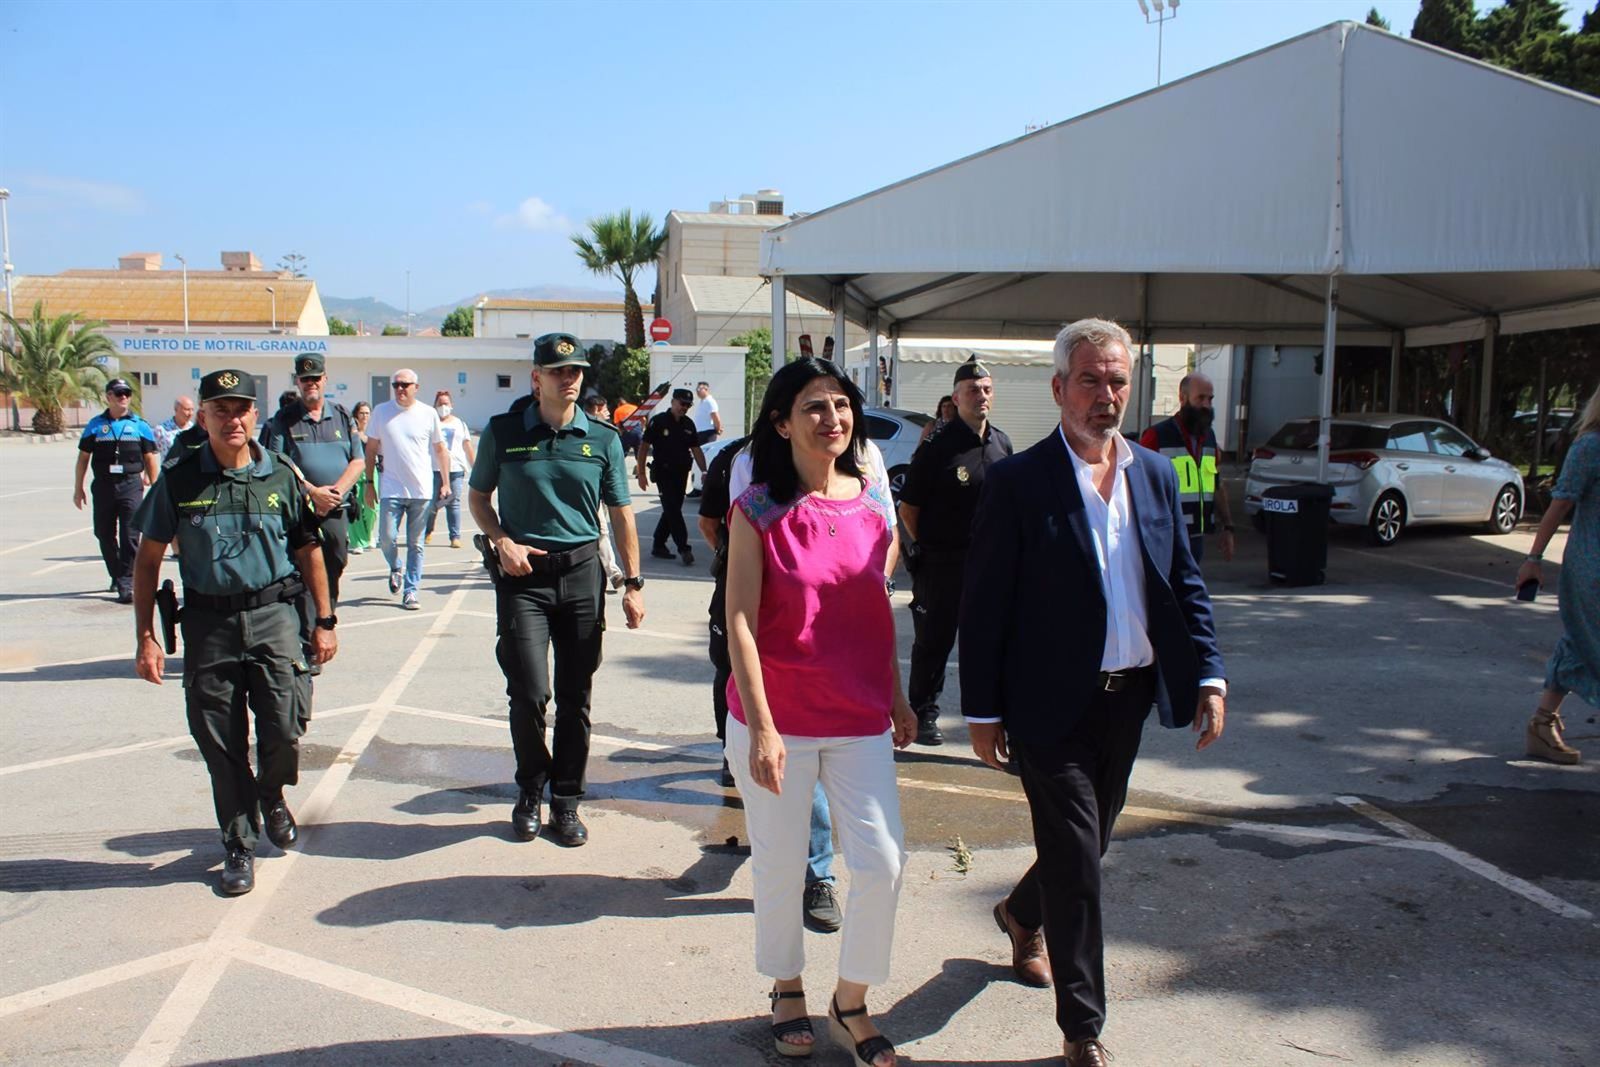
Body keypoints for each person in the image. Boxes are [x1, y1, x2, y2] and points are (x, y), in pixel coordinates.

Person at [960, 318, 1226, 1067]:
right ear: (1058, 388)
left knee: (1090, 841)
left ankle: (1018, 911)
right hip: (1046, 705)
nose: (1106, 395)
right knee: (1078, 859)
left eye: (1117, 380)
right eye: (1091, 380)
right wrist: (981, 709)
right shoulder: (1018, 483)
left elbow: (1185, 581)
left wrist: (1209, 672)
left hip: (1127, 699)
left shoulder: (1157, 473)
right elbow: (985, 605)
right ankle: (1083, 1026)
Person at [724, 357, 916, 1065]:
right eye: (814, 406)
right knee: (779, 864)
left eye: (841, 405)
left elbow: (874, 612)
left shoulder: (870, 503)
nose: (832, 418)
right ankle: (788, 986)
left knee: (884, 860)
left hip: (860, 716)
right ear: (782, 421)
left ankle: (852, 996)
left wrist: (895, 694)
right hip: (778, 718)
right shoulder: (759, 509)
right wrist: (764, 726)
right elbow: (740, 618)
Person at [130, 369, 338, 895]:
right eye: (220, 409)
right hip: (208, 624)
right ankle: (239, 844)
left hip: (274, 618)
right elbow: (148, 559)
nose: (233, 418)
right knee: (220, 743)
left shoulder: (280, 476)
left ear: (254, 415)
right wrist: (146, 637)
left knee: (284, 730)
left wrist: (326, 620)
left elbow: (309, 549)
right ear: (203, 417)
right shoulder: (179, 480)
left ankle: (271, 793)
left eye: (241, 408)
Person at [469, 333, 645, 847]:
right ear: (536, 378)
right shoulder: (504, 432)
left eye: (576, 372)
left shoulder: (604, 438)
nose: (569, 379)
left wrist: (632, 584)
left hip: (582, 574)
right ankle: (530, 788)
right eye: (558, 371)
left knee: (575, 695)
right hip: (523, 579)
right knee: (528, 691)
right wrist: (501, 540)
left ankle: (565, 800)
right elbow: (479, 497)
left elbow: (620, 514)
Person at [699, 433, 845, 936]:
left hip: (813, 636)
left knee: (805, 759)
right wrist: (750, 568)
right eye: (805, 406)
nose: (823, 419)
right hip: (742, 609)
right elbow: (709, 522)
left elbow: (880, 534)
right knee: (741, 709)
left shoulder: (848, 466)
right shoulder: (736, 461)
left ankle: (816, 874)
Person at [897, 356, 1013, 745]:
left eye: (986, 390)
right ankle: (924, 713)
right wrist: (924, 549)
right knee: (934, 641)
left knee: (992, 642)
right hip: (944, 564)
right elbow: (908, 508)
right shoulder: (938, 446)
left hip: (991, 565)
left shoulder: (1001, 443)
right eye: (972, 391)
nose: (980, 396)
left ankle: (995, 716)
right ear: (956, 397)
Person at [259, 354, 365, 669]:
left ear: (325, 379)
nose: (311, 384)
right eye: (305, 380)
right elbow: (277, 462)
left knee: (335, 563)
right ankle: (307, 640)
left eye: (316, 378)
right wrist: (311, 491)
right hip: (300, 508)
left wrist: (335, 492)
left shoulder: (343, 416)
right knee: (304, 570)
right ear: (298, 382)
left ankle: (324, 619)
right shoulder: (284, 419)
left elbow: (357, 461)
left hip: (335, 506)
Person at [1517, 384, 1600, 765]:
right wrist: (1533, 557)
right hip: (1592, 566)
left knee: (1578, 640)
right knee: (1586, 640)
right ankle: (1541, 725)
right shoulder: (1590, 447)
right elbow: (1560, 503)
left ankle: (1542, 724)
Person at [364, 368, 450, 611]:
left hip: (421, 491)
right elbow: (370, 450)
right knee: (387, 538)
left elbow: (440, 449)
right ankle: (395, 566)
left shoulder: (428, 413)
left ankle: (411, 591)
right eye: (396, 385)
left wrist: (444, 482)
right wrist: (369, 484)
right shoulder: (381, 412)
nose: (400, 389)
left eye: (405, 385)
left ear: (416, 387)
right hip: (391, 488)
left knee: (417, 544)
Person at [74, 377, 159, 603]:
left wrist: (156, 486)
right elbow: (83, 458)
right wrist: (78, 488)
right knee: (103, 533)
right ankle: (117, 573)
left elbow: (150, 457)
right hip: (103, 485)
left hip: (131, 484)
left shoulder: (140, 425)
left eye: (127, 394)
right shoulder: (95, 425)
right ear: (108, 396)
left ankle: (127, 582)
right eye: (119, 393)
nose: (124, 398)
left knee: (130, 535)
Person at [1138, 372, 1236, 563]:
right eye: (1200, 398)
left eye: (1210, 398)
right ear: (1182, 398)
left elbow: (1216, 484)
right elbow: (1137, 488)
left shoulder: (1209, 438)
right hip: (1165, 539)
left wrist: (1228, 527)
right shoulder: (1156, 437)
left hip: (1196, 539)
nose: (1207, 405)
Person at [637, 387, 707, 564]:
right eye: (682, 404)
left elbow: (696, 449)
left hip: (681, 473)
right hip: (663, 472)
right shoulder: (658, 421)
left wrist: (705, 471)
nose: (684, 408)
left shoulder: (688, 424)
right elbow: (644, 447)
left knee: (672, 508)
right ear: (673, 401)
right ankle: (684, 548)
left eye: (688, 405)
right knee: (673, 510)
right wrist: (641, 473)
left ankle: (659, 544)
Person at [583, 394, 628, 592]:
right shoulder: (582, 430)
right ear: (597, 409)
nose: (609, 413)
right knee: (597, 534)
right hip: (583, 494)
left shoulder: (604, 433)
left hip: (597, 495)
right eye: (605, 410)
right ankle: (608, 572)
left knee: (601, 532)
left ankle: (613, 572)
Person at [424, 389, 476, 548]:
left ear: (451, 405)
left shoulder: (459, 424)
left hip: (456, 469)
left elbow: (467, 446)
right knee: (432, 503)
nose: (443, 407)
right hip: (434, 469)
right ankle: (427, 531)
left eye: (445, 403)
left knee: (453, 502)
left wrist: (476, 468)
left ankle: (455, 536)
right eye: (440, 404)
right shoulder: (430, 423)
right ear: (435, 406)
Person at [347, 401, 378, 553]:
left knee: (372, 508)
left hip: (372, 471)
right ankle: (357, 541)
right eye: (362, 413)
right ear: (356, 415)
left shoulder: (374, 433)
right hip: (355, 471)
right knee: (356, 505)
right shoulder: (351, 433)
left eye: (367, 413)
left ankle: (370, 534)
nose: (365, 416)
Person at [153, 395, 196, 462]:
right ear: (176, 409)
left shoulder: (194, 429)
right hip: (170, 471)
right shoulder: (161, 430)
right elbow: (150, 454)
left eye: (192, 409)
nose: (190, 413)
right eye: (187, 409)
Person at [691, 380, 724, 445]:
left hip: (707, 434)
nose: (697, 391)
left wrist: (718, 429)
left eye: (699, 389)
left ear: (706, 389)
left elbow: (716, 417)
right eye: (696, 389)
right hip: (700, 434)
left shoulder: (710, 401)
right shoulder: (703, 402)